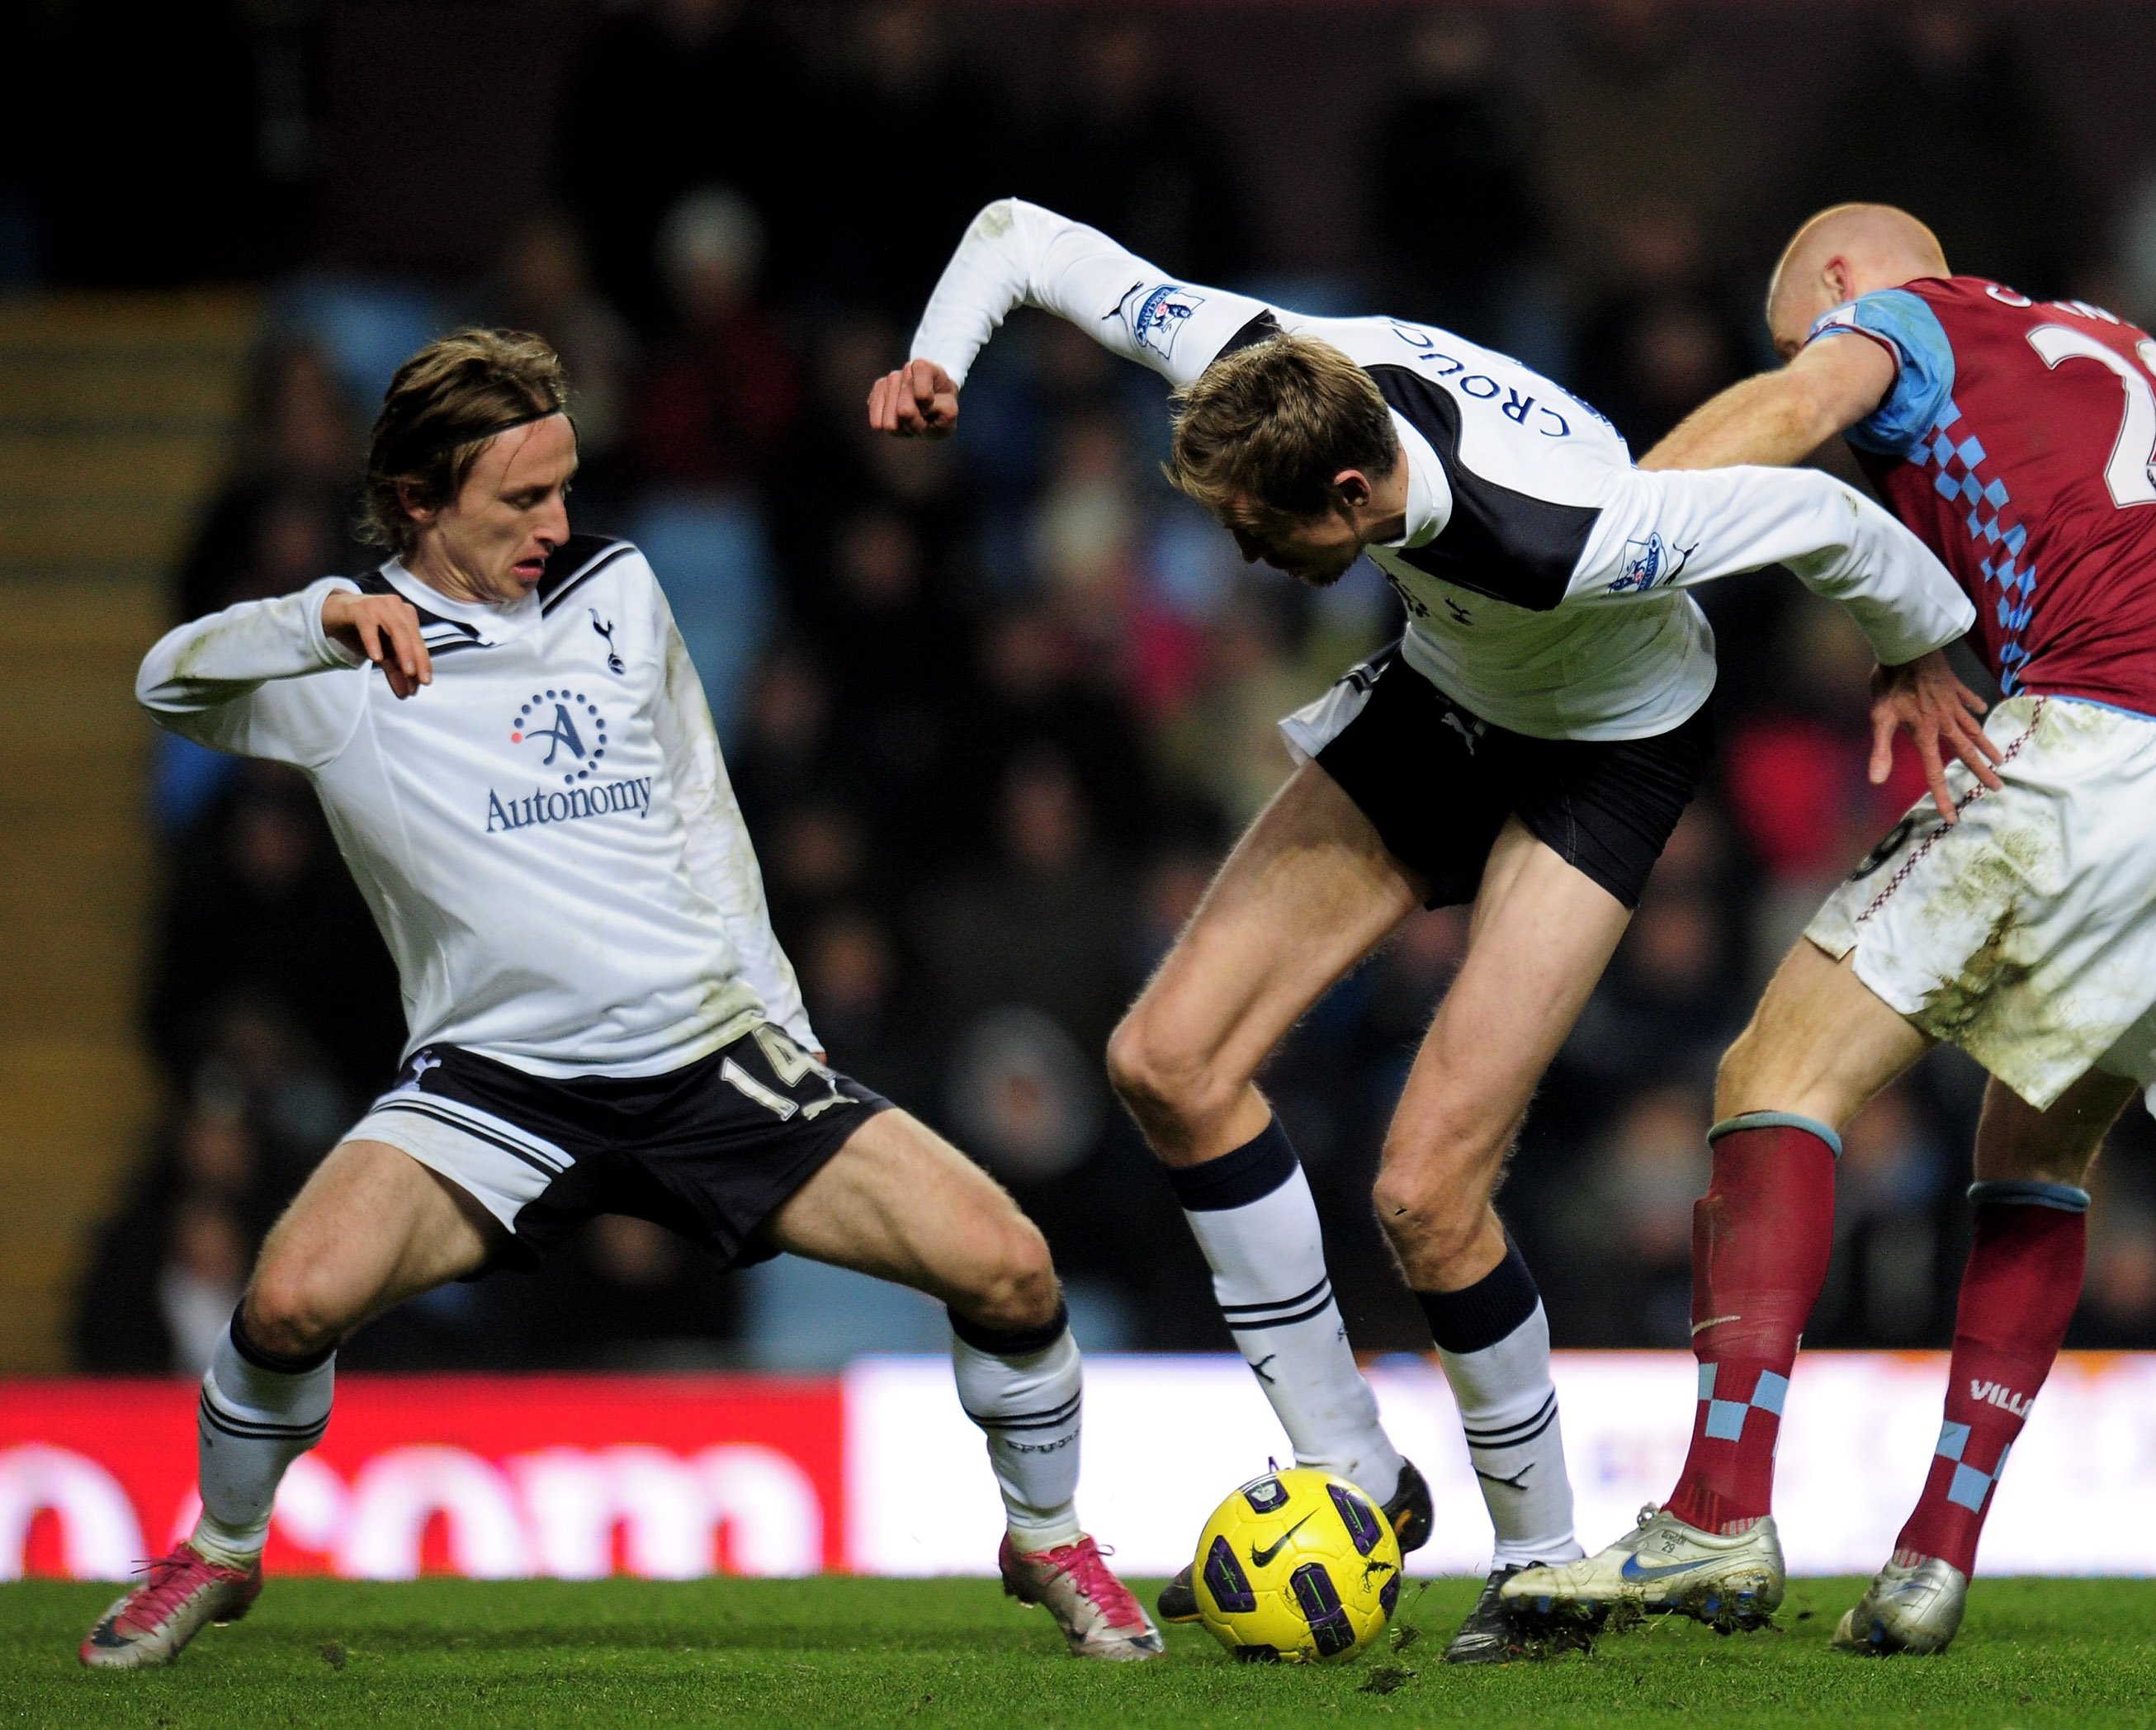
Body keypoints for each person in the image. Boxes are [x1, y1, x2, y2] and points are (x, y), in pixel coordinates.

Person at [869, 200, 1980, 1660]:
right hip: (1446, 696)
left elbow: (1831, 515)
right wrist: (936, 358)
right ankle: (1358, 1474)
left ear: (1347, 490)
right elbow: (1020, 236)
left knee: (1424, 1189)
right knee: (1168, 1061)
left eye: (1263, 532)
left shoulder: (1572, 537)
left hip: (1607, 752)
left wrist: (1919, 647)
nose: (1246, 555)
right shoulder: (1262, 364)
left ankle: (1541, 1562)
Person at [82, 330, 1161, 1669]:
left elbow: (700, 808)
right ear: (419, 500)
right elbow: (164, 681)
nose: (558, 522)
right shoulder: (345, 663)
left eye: (564, 487)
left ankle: (1047, 1536)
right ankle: (223, 1551)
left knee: (1009, 1264)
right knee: (290, 1305)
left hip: (710, 1059)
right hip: (494, 1089)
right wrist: (312, 615)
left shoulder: (618, 586)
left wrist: (776, 1010)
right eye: (520, 499)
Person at [1505, 204, 2156, 1654]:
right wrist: (1926, 644)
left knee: (1773, 1075)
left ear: (1839, 284)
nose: (1825, 373)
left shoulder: (1900, 321)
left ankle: (1715, 1511)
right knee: (2040, 1153)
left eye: (1806, 325)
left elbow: (1794, 408)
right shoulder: (2106, 340)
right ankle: (1936, 1555)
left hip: (2108, 737)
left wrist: (1598, 530)